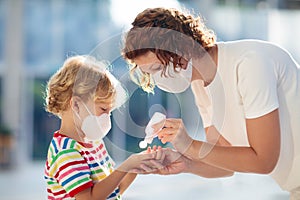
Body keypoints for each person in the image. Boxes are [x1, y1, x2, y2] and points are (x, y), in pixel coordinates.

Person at [122, 7, 300, 199]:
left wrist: (190, 145)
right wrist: (185, 162)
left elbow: (264, 161)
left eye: (158, 68)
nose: (157, 80)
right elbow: (226, 165)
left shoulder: (249, 63)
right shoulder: (200, 84)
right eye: (150, 74)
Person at [44, 55, 165, 200]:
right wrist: (126, 165)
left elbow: (113, 191)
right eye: (103, 109)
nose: (108, 117)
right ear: (76, 104)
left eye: (110, 111)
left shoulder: (94, 143)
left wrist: (135, 166)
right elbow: (89, 198)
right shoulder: (65, 152)